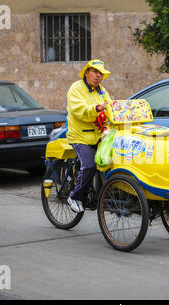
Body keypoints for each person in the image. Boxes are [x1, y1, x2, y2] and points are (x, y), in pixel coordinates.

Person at [66, 59, 112, 213]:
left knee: (111, 161)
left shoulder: (102, 91)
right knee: (89, 165)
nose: (98, 76)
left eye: (101, 73)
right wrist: (98, 108)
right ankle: (75, 196)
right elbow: (80, 111)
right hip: (79, 136)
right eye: (95, 72)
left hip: (98, 136)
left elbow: (111, 107)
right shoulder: (76, 88)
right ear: (86, 72)